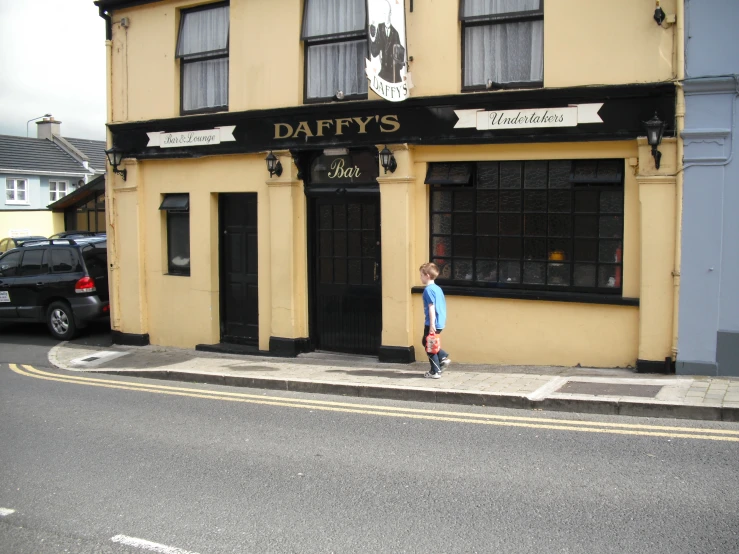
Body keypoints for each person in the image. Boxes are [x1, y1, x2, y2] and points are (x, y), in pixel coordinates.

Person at [419, 262, 451, 379]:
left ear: (427, 275)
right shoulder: (437, 288)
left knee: (429, 345)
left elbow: (431, 307)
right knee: (426, 342)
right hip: (440, 322)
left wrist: (432, 323)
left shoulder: (428, 290)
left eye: (421, 275)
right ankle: (442, 357)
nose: (420, 278)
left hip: (432, 323)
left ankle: (435, 371)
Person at [368, 0, 405, 83]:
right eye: (383, 13)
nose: (385, 16)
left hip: (394, 74)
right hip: (384, 73)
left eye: (386, 13)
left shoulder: (395, 33)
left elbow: (400, 57)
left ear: (390, 14)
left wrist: (398, 60)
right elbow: (374, 53)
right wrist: (373, 39)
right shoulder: (379, 29)